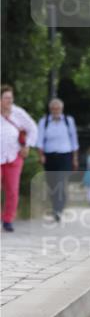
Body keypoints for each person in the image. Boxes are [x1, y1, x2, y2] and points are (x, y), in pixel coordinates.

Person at [0, 84, 38, 231]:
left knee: (12, 189)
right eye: (6, 98)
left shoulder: (18, 113)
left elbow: (32, 128)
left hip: (13, 156)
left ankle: (8, 220)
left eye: (11, 98)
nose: (9, 101)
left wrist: (27, 145)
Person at [36, 97, 79, 221]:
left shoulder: (68, 121)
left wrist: (75, 158)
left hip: (65, 155)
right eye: (53, 109)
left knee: (60, 181)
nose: (56, 111)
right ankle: (56, 206)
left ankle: (58, 209)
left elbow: (74, 141)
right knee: (52, 183)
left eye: (58, 108)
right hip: (50, 156)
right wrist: (41, 155)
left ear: (62, 109)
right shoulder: (44, 122)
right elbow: (39, 141)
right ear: (50, 109)